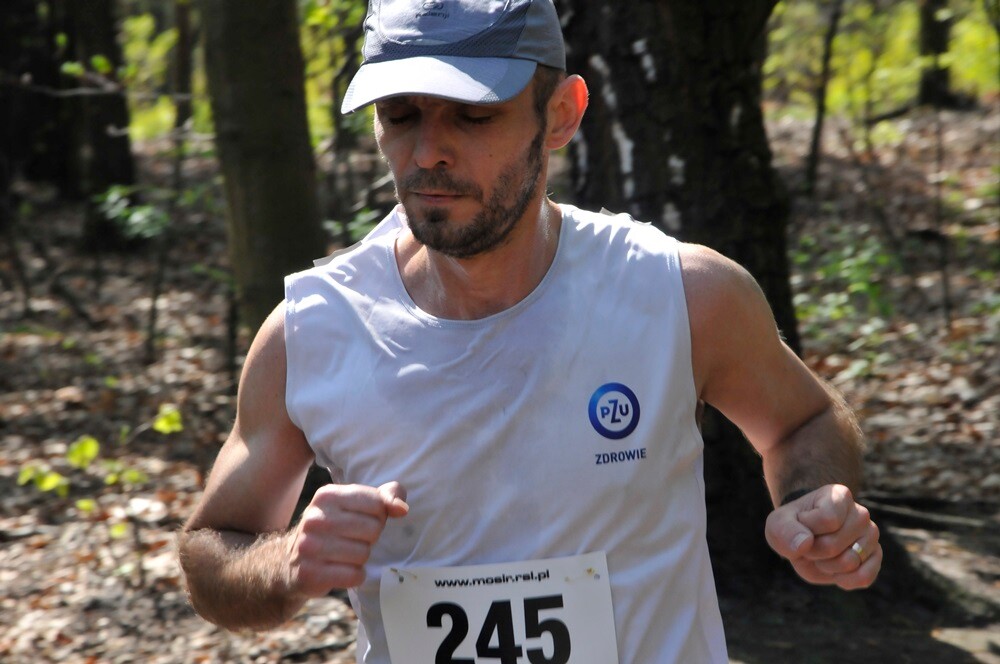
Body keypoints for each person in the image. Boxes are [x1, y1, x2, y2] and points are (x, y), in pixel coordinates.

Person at [177, 1, 882, 661]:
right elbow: (212, 548)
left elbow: (805, 421)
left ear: (561, 115)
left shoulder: (679, 293)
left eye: (473, 115)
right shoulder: (312, 332)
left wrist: (811, 504)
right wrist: (286, 562)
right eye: (400, 114)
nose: (427, 152)